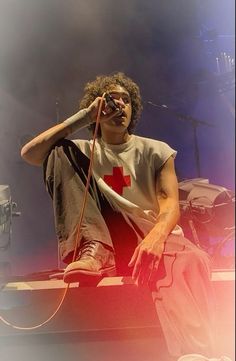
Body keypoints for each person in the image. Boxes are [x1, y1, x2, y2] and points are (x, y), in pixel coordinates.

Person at [21, 72, 221, 360]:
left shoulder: (156, 150)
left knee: (192, 259)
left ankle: (198, 355)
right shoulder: (80, 150)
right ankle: (95, 251)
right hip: (105, 233)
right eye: (112, 101)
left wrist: (155, 239)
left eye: (126, 100)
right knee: (58, 151)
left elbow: (170, 205)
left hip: (148, 231)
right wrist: (84, 118)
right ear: (97, 106)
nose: (120, 106)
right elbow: (30, 153)